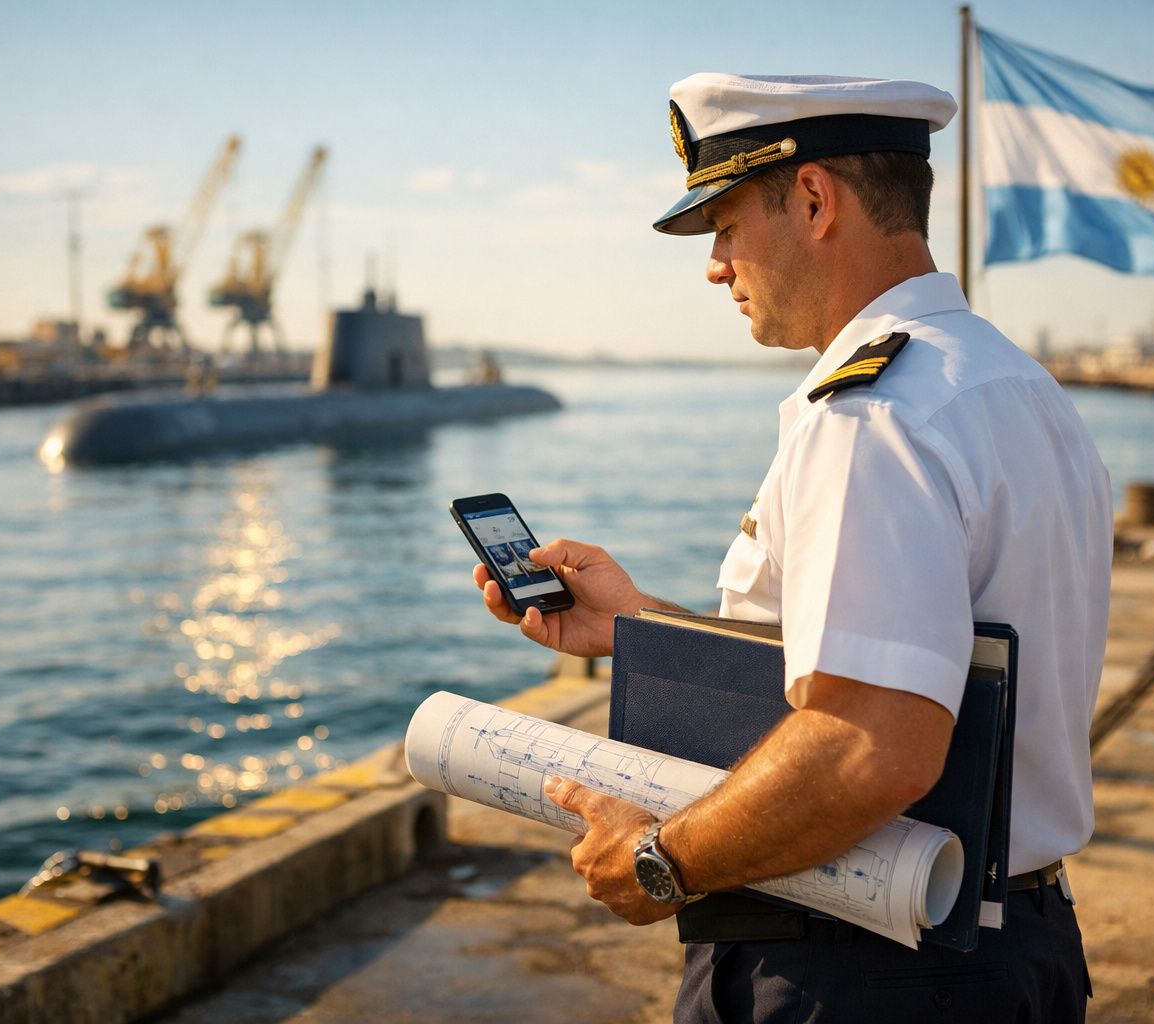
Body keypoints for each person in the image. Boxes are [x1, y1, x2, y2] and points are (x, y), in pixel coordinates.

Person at [471, 73, 1112, 1022]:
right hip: (1008, 944)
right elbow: (900, 667)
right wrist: (643, 627)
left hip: (863, 972)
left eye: (725, 226)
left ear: (813, 200)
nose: (715, 266)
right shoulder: (1009, 384)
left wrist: (660, 861)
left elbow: (872, 745)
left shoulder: (870, 416)